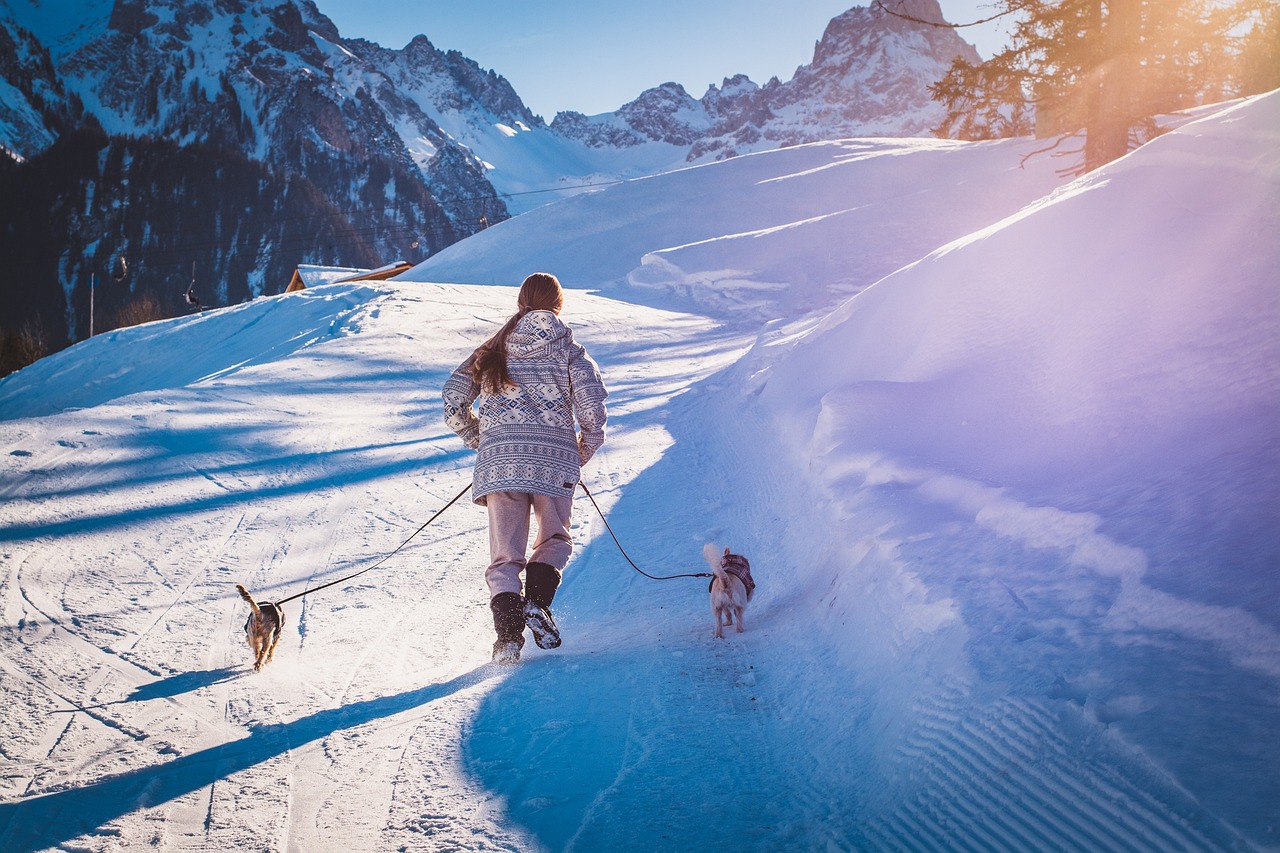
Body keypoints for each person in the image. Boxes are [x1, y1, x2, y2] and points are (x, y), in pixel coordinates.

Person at [442, 273, 609, 664]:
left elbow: (452, 399)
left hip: (500, 465)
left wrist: (480, 439)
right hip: (554, 462)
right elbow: (592, 412)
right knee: (554, 539)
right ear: (558, 304)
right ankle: (536, 603)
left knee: (505, 556)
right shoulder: (570, 350)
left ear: (521, 302)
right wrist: (579, 452)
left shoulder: (493, 348)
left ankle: (508, 640)